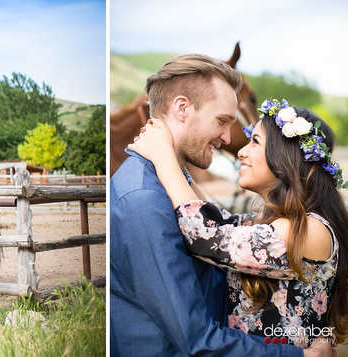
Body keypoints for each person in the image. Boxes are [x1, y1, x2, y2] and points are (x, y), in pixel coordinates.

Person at [109, 53, 331, 356]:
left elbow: (206, 230)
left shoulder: (303, 228)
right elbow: (219, 222)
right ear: (182, 109)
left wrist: (166, 159)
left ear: (285, 160)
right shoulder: (143, 199)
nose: (230, 140)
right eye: (222, 121)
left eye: (254, 141)